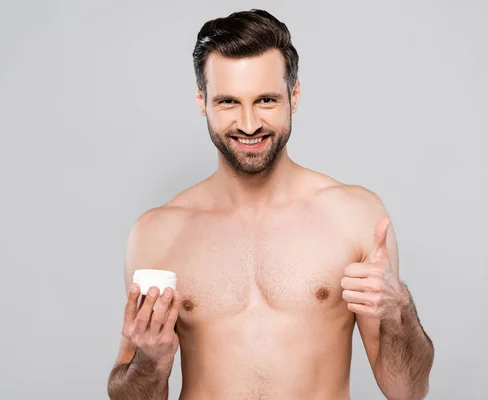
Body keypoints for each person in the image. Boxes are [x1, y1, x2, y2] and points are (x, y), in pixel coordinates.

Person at [107, 9, 434, 400]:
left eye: (265, 100)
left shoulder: (354, 217)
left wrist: (399, 309)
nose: (248, 124)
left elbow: (408, 392)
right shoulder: (157, 234)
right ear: (202, 101)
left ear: (293, 95)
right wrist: (152, 360)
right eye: (228, 102)